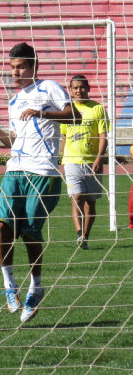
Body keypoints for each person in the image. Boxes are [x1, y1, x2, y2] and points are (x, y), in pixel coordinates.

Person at [0, 42, 81, 323]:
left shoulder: (48, 87)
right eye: (12, 68)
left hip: (43, 173)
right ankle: (9, 286)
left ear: (33, 66)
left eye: (21, 67)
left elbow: (74, 115)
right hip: (15, 170)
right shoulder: (14, 101)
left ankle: (36, 286)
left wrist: (42, 113)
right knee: (2, 226)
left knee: (28, 231)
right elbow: (14, 144)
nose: (16, 72)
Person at [61, 75, 109, 250]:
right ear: (71, 90)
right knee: (77, 197)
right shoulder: (67, 109)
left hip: (92, 162)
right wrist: (63, 158)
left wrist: (99, 158)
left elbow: (103, 136)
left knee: (91, 201)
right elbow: (64, 135)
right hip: (72, 161)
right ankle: (79, 234)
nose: (78, 91)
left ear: (88, 88)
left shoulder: (97, 108)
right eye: (75, 88)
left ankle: (86, 236)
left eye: (82, 87)